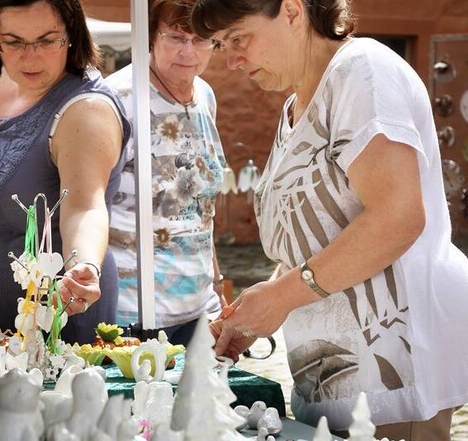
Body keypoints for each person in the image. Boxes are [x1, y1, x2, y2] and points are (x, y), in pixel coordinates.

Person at [192, 0, 468, 438]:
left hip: (394, 364)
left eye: (240, 38)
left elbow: (398, 218)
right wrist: (261, 306)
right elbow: (319, 237)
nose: (233, 59)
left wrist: (282, 296)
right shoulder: (296, 105)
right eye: (223, 45)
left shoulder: (362, 72)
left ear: (291, 10)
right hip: (332, 377)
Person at [0, 0, 131, 344]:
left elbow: (85, 208)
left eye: (47, 40)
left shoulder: (86, 109)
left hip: (44, 321)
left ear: (72, 34)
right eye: (14, 42)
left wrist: (85, 266)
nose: (30, 57)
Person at [105, 0, 226, 346]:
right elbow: (90, 203)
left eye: (201, 39)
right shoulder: (119, 99)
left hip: (201, 311)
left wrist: (217, 283)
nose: (188, 51)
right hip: (134, 316)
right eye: (175, 37)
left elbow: (202, 206)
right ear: (150, 37)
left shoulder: (204, 95)